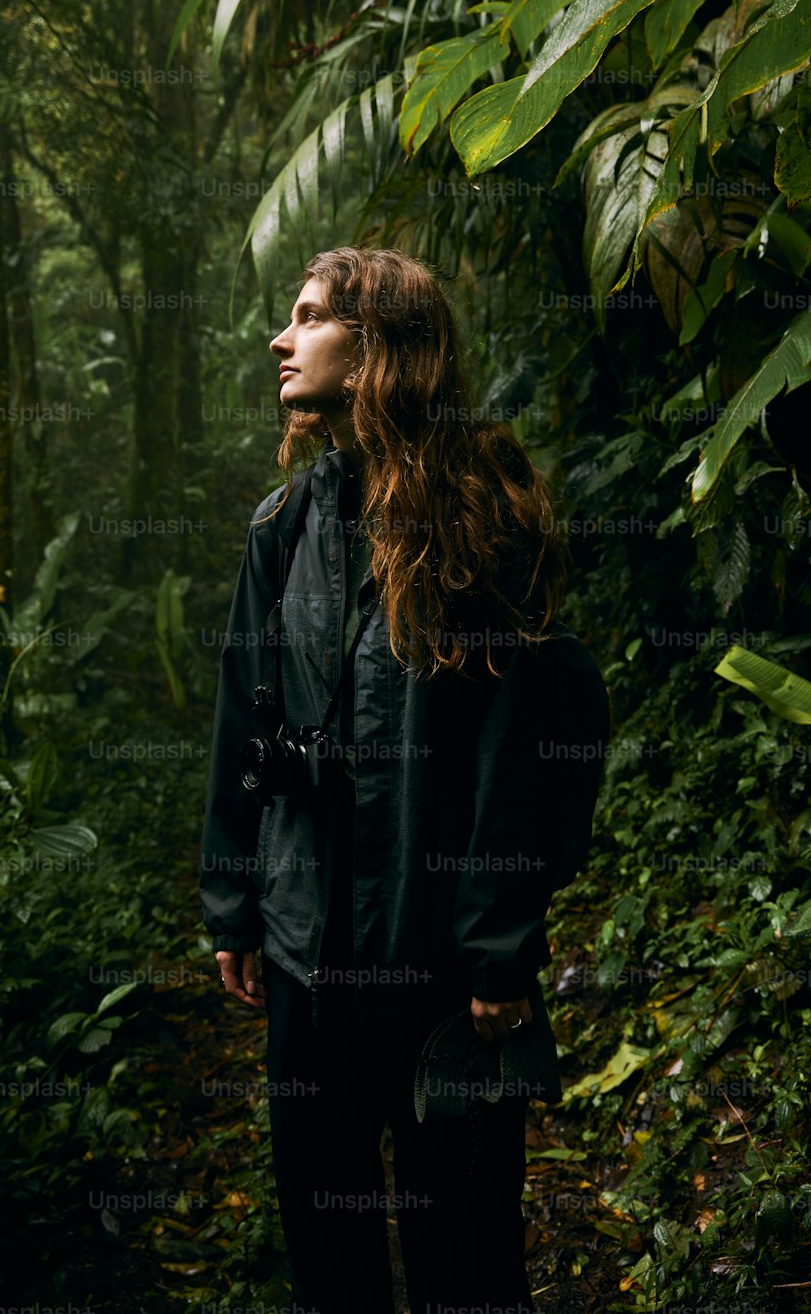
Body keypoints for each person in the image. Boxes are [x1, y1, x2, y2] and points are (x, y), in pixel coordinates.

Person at [199, 246, 610, 1314]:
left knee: (466, 1258)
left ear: (377, 342)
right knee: (328, 1252)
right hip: (308, 954)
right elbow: (242, 720)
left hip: (440, 968)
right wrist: (232, 899)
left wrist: (498, 942)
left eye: (307, 317)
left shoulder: (483, 511)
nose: (280, 340)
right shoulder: (278, 528)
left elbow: (525, 750)